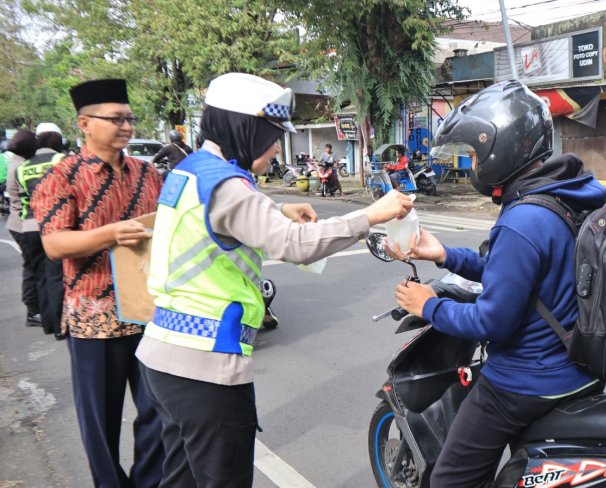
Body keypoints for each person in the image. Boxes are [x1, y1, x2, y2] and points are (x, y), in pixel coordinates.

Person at [134, 72, 412, 487]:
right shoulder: (227, 186)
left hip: (163, 358)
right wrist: (370, 215)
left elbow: (222, 219)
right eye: (272, 135)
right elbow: (294, 245)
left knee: (180, 480)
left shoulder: (191, 169)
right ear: (245, 128)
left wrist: (280, 210)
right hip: (207, 366)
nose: (277, 147)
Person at [388, 80, 606, 487]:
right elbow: (514, 274)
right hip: (578, 368)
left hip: (527, 378)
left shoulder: (524, 219)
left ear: (499, 149)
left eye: (473, 153)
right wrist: (445, 255)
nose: (471, 164)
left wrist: (427, 305)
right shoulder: (565, 194)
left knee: (449, 480)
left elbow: (493, 321)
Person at [32, 79, 165, 488]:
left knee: (159, 412)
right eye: (116, 119)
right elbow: (55, 244)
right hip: (94, 316)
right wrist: (111, 233)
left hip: (147, 312)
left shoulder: (148, 173)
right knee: (100, 420)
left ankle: (147, 482)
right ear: (85, 123)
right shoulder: (63, 176)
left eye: (129, 118)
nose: (126, 126)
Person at [17, 122, 67, 340]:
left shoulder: (23, 166)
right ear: (56, 138)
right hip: (53, 226)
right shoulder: (60, 160)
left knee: (40, 277)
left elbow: (20, 198)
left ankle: (47, 322)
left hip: (28, 226)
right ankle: (59, 326)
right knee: (56, 277)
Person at [4, 129, 40, 327]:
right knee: (31, 268)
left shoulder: (17, 162)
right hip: (22, 223)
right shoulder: (21, 165)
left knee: (32, 267)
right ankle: (32, 311)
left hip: (19, 222)